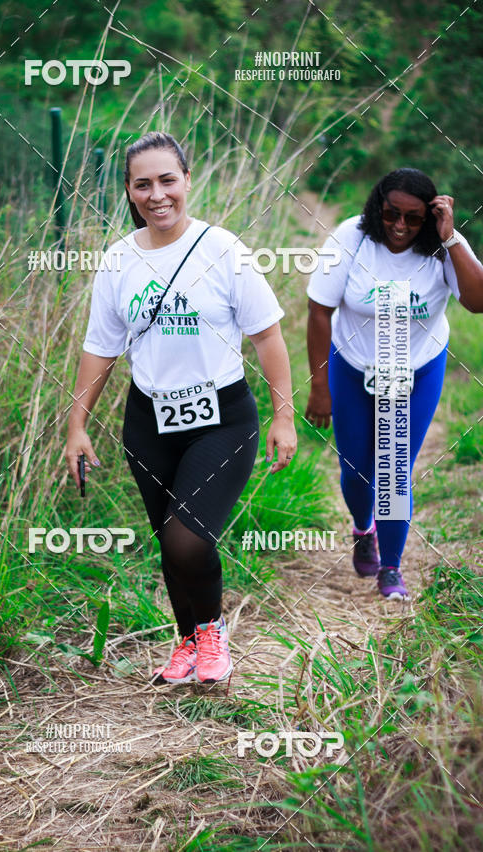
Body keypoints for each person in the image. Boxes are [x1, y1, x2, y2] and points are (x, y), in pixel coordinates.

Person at [65, 131, 297, 683]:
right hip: (149, 420)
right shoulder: (117, 260)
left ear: (187, 181)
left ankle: (212, 633)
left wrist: (284, 415)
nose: (157, 194)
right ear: (128, 190)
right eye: (142, 184)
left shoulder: (224, 249)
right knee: (168, 538)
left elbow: (267, 336)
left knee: (186, 536)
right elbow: (100, 349)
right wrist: (76, 423)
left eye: (168, 180)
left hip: (222, 416)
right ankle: (186, 641)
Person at [305, 168, 483, 600]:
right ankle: (363, 528)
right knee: (356, 471)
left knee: (393, 469)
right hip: (352, 364)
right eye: (391, 214)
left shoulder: (442, 249)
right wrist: (320, 387)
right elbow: (318, 311)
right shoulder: (351, 238)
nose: (400, 226)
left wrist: (451, 238)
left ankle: (391, 567)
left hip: (415, 369)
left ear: (430, 216)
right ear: (376, 207)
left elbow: (477, 302)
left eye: (413, 218)